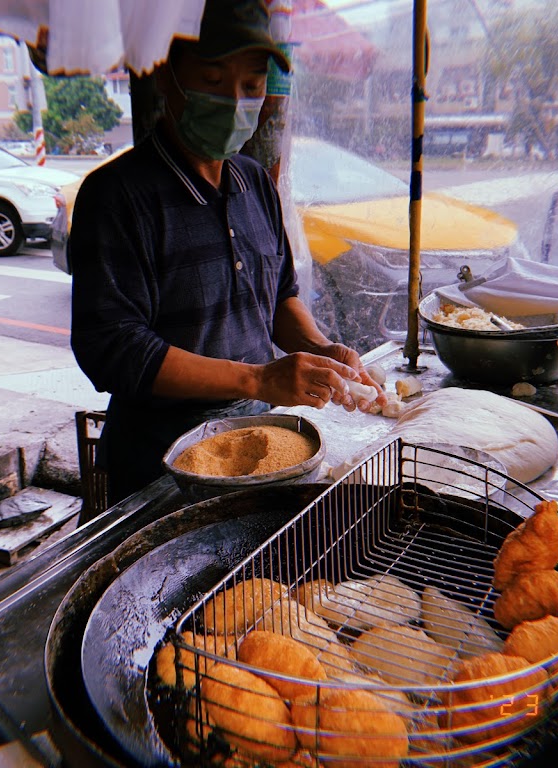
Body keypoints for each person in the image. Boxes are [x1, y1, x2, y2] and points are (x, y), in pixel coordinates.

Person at [69, 0, 383, 505]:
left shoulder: (254, 180)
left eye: (251, 86)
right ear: (166, 77)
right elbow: (113, 350)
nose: (235, 100)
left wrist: (322, 349)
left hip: (261, 446)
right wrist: (259, 378)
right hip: (159, 471)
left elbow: (279, 296)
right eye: (213, 80)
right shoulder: (115, 195)